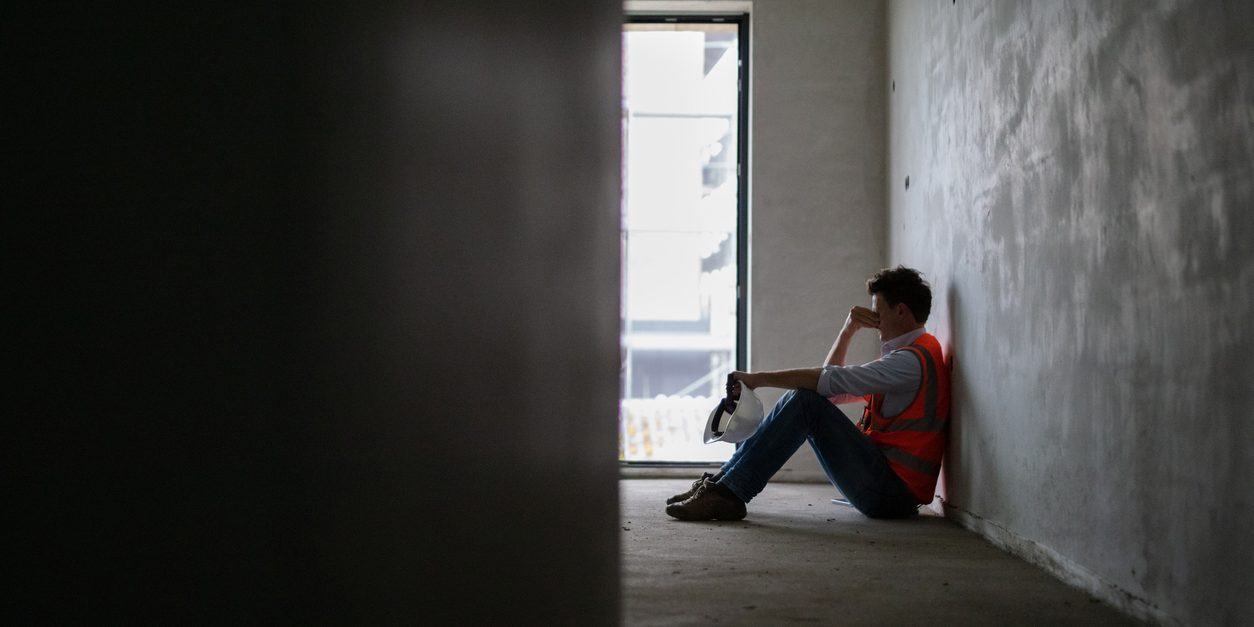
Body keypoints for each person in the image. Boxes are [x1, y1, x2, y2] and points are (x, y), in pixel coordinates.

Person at [666, 266, 950, 521]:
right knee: (807, 398)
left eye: (878, 311)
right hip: (887, 487)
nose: (874, 319)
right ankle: (721, 483)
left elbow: (827, 381)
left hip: (890, 494)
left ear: (900, 311)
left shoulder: (909, 363)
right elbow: (831, 389)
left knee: (805, 402)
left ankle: (728, 493)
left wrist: (758, 379)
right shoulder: (911, 354)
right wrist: (848, 330)